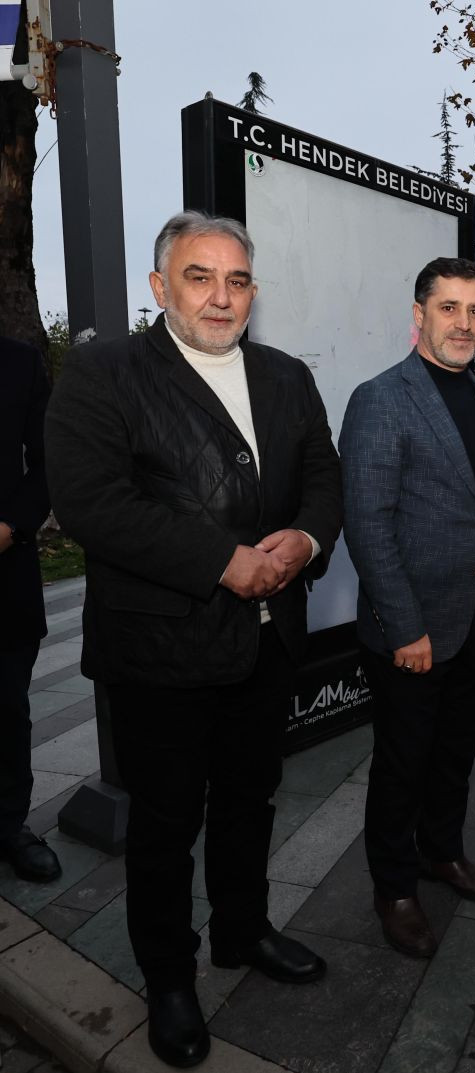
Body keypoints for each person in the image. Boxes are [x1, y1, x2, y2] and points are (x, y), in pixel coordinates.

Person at [45, 211, 343, 1069]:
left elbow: (323, 477)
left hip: (266, 643)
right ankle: (169, 978)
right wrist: (222, 560)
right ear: (159, 287)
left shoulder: (286, 376)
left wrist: (307, 541)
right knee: (166, 822)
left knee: (253, 799)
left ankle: (242, 932)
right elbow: (93, 501)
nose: (221, 296)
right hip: (160, 652)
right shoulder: (106, 372)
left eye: (237, 279)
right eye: (200, 276)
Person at [340, 257, 475, 961]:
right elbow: (368, 521)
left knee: (457, 751)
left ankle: (443, 853)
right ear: (420, 314)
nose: (463, 324)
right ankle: (395, 887)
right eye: (449, 308)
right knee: (402, 763)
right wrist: (404, 625)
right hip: (410, 627)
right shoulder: (381, 398)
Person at [0, 336, 61, 885]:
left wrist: (10, 526)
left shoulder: (18, 361)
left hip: (3, 577)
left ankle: (8, 826)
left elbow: (49, 463)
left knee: (7, 712)